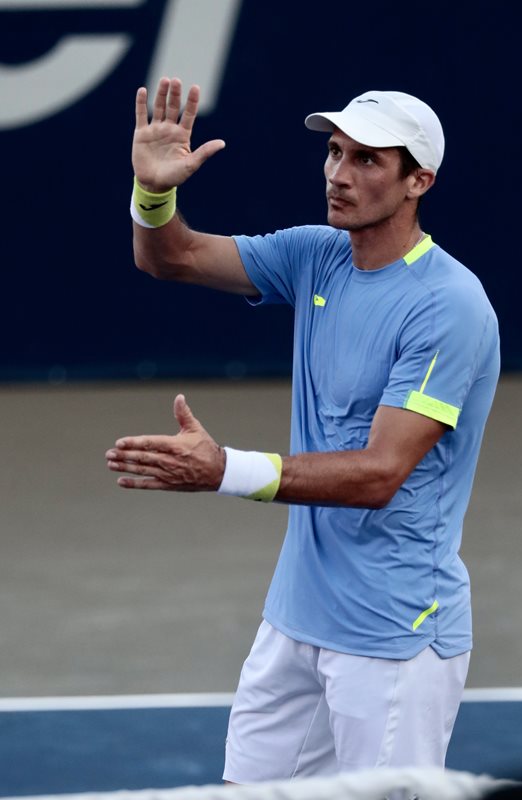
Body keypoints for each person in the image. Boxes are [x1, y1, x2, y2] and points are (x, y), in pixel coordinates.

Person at [106, 77, 500, 783]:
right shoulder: (316, 254)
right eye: (335, 153)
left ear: (418, 182)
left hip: (392, 633)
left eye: (366, 160)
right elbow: (172, 255)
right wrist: (153, 193)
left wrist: (224, 470)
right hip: (295, 619)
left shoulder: (448, 306)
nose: (338, 174)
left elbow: (380, 474)